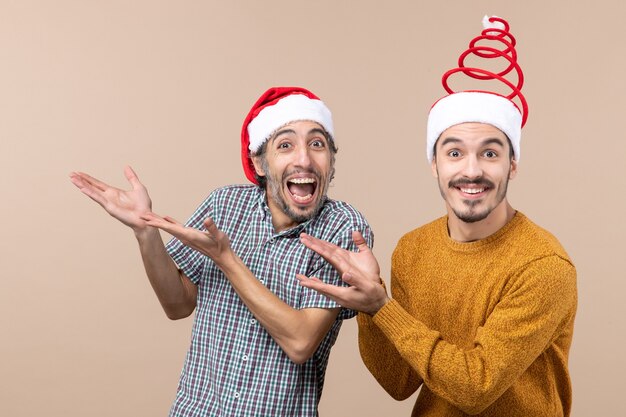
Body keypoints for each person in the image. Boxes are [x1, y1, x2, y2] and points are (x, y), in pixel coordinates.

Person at [296, 16, 577, 417]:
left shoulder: (544, 266)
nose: (472, 170)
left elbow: (476, 386)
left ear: (513, 165)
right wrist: (368, 298)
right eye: (455, 152)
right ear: (434, 164)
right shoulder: (414, 249)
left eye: (491, 153)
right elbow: (398, 383)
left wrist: (381, 307)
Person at [69, 86, 373, 416]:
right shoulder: (224, 204)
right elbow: (178, 304)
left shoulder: (344, 228)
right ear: (259, 162)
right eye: (285, 145)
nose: (304, 159)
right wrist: (145, 232)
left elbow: (300, 342)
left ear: (331, 160)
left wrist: (226, 260)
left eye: (317, 144)